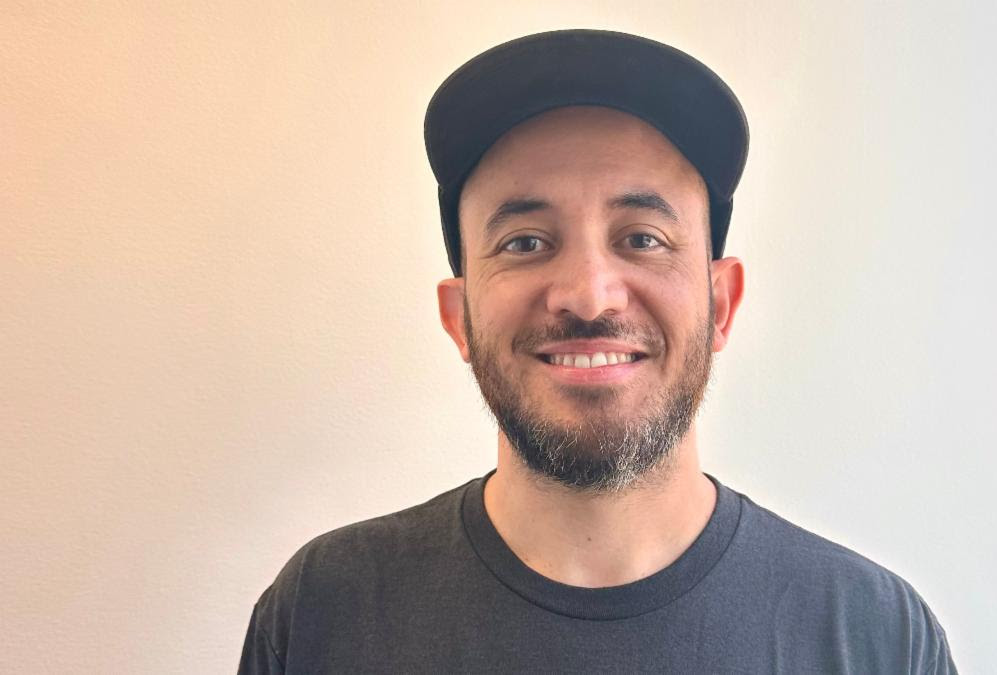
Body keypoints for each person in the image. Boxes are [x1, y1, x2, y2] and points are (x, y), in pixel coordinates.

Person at [238, 29, 956, 674]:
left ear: (722, 303)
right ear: (459, 316)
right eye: (526, 242)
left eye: (642, 237)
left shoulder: (874, 637)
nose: (588, 294)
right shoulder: (323, 615)